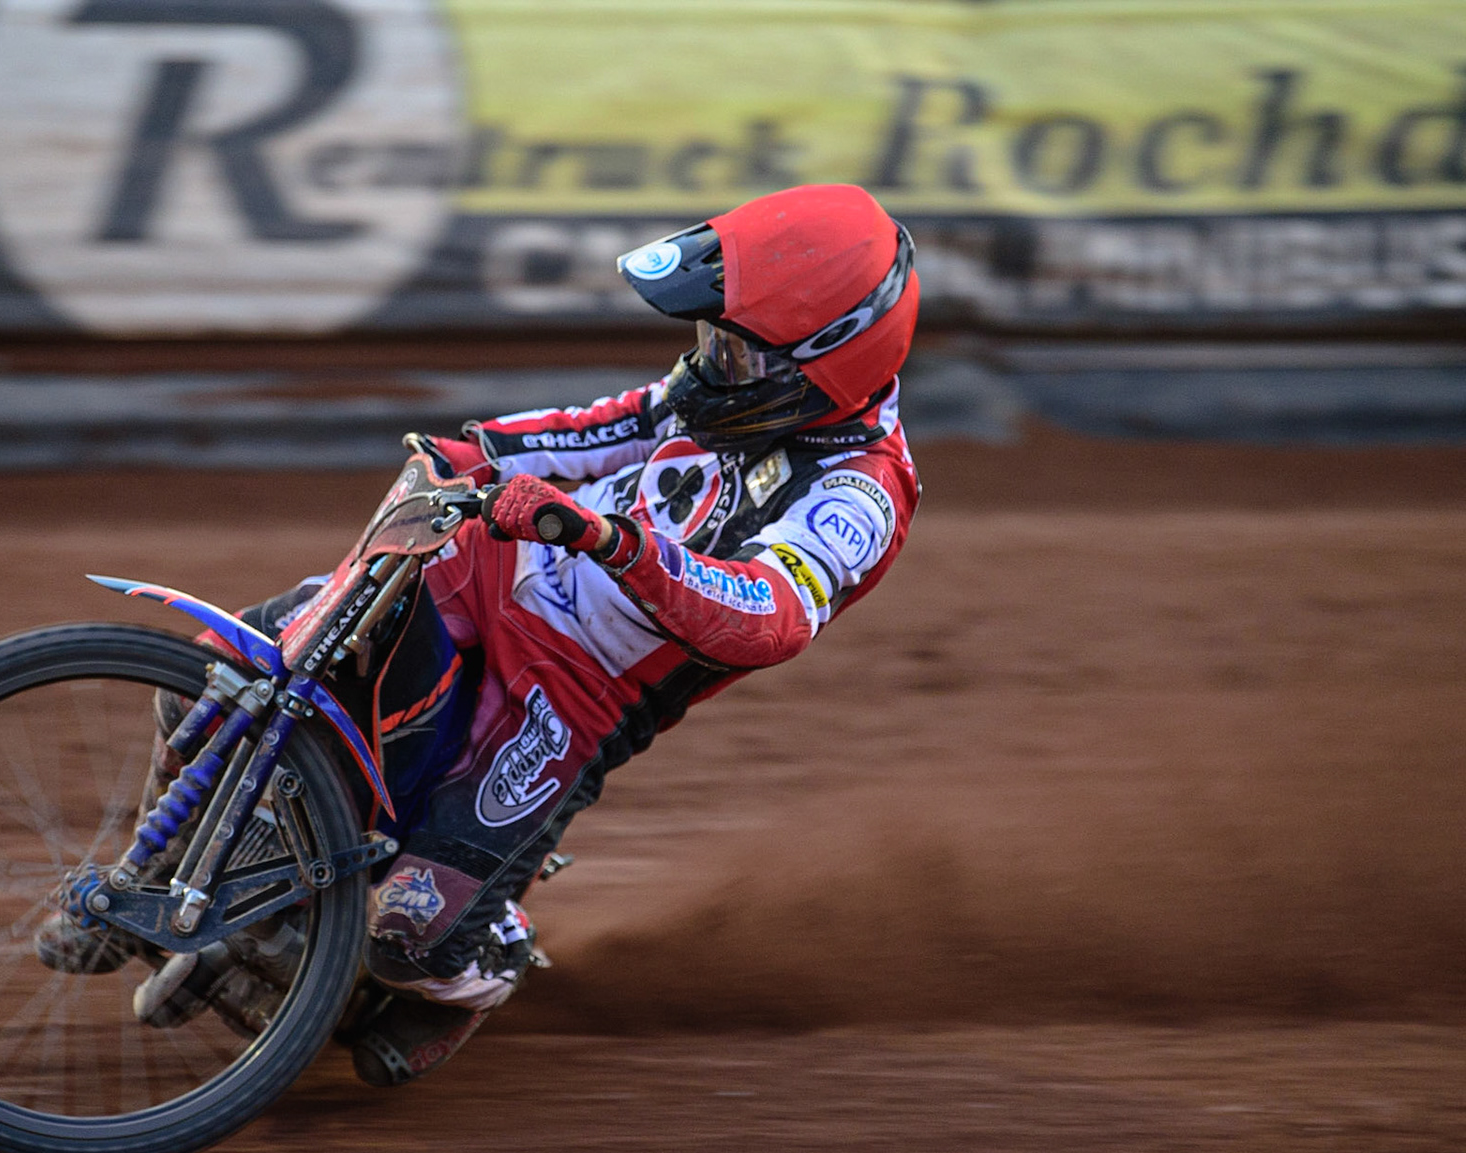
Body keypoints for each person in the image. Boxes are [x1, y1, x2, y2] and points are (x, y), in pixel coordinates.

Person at [46, 183, 923, 1088]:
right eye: (710, 339)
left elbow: (764, 618)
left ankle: (490, 953)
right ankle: (157, 871)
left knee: (408, 939)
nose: (706, 367)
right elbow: (601, 430)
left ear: (822, 366)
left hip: (574, 697)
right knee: (218, 679)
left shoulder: (857, 495)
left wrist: (607, 539)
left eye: (736, 354)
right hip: (475, 573)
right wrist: (471, 455)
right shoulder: (720, 391)